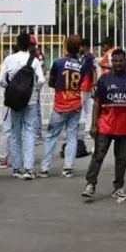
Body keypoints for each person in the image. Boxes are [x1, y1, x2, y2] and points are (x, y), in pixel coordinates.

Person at [83, 48, 126, 202]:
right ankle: (90, 185)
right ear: (111, 62)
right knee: (98, 156)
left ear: (125, 61)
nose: (118, 64)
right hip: (106, 125)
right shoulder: (104, 79)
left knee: (121, 159)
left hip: (125, 126)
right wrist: (94, 124)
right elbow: (97, 103)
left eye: (121, 61)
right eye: (115, 61)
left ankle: (118, 187)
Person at [41, 35, 90, 178]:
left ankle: (44, 168)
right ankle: (68, 168)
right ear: (79, 48)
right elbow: (83, 84)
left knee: (51, 136)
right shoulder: (81, 66)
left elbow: (50, 82)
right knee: (72, 136)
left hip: (60, 105)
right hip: (75, 105)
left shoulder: (58, 63)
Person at [0, 32, 45, 179]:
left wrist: (11, 88)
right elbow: (42, 80)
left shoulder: (9, 59)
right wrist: (34, 90)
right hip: (30, 100)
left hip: (14, 101)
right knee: (29, 132)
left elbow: (0, 80)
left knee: (15, 134)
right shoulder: (35, 60)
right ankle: (29, 169)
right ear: (30, 45)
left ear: (17, 44)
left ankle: (17, 168)